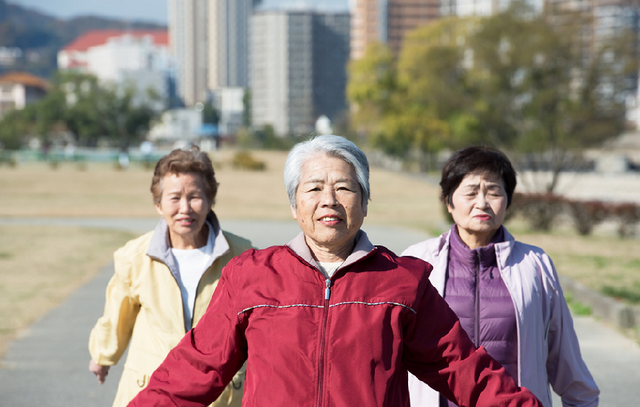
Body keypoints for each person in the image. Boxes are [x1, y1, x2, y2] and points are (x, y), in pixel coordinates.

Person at [127, 135, 542, 407]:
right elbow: (194, 369)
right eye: (313, 188)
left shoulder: (403, 282)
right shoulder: (250, 276)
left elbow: (463, 369)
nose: (329, 200)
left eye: (344, 187)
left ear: (364, 201)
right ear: (294, 205)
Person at [403, 146, 599, 407]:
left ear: (508, 200)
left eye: (494, 191)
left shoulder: (535, 265)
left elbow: (564, 357)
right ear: (449, 201)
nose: (482, 203)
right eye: (471, 192)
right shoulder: (417, 262)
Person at [88, 146, 253, 407]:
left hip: (222, 394)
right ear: (158, 204)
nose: (185, 208)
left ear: (210, 200)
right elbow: (118, 314)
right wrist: (102, 355)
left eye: (195, 196)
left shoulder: (243, 254)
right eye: (174, 197)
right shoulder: (134, 256)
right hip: (152, 389)